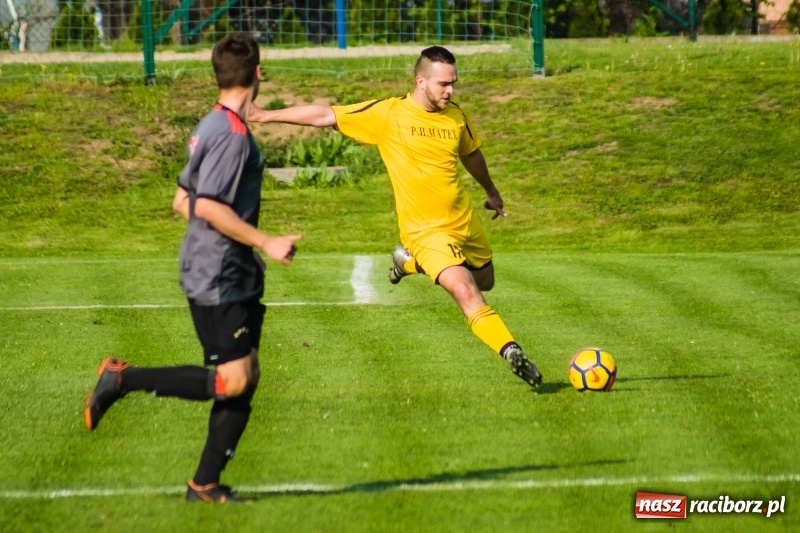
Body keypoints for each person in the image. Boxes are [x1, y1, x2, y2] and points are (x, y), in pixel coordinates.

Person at [84, 33, 302, 504]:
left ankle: (204, 484)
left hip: (229, 266)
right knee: (233, 379)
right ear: (258, 73)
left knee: (247, 374)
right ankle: (122, 378)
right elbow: (207, 207)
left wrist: (238, 242)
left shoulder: (210, 124)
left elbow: (182, 200)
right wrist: (263, 239)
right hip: (217, 273)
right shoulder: (233, 135)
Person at [248, 45, 542, 387]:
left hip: (464, 220)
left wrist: (492, 193)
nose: (451, 90)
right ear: (421, 81)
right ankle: (511, 351)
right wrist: (265, 116)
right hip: (425, 232)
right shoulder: (390, 114)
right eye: (444, 84)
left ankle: (409, 263)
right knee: (464, 290)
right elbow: (325, 114)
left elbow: (471, 154)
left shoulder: (457, 116)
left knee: (485, 281)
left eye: (454, 83)